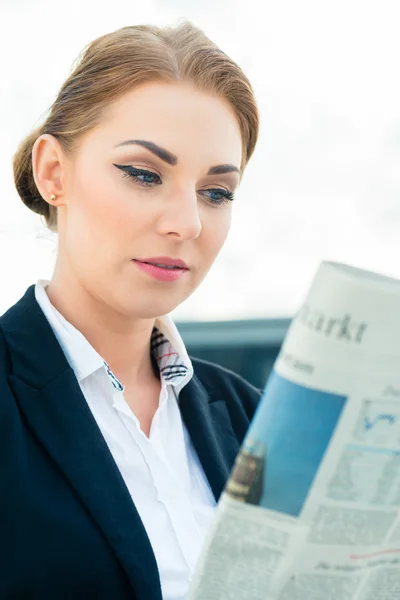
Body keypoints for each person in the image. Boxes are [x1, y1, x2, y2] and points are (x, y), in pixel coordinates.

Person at [0, 21, 261, 600]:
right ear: (54, 173)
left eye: (215, 192)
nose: (187, 223)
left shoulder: (252, 420)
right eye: (144, 175)